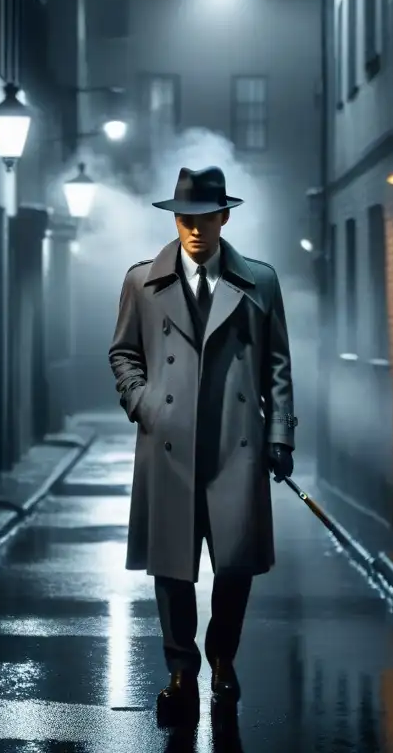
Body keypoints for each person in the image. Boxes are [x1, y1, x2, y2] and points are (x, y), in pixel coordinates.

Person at [108, 166, 297, 724]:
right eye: (184, 218)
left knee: (235, 565)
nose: (193, 229)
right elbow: (123, 353)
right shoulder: (142, 281)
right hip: (169, 443)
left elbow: (278, 365)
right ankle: (181, 671)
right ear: (175, 219)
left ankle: (222, 659)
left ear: (224, 217)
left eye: (204, 218)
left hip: (235, 446)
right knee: (172, 567)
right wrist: (144, 404)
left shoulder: (259, 281)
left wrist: (280, 433)